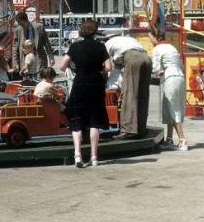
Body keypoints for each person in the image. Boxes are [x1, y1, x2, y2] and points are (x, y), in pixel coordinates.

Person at [59, 20, 112, 167]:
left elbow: (62, 66)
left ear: (82, 31)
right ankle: (94, 157)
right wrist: (100, 69)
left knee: (77, 120)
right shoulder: (100, 47)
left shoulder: (75, 47)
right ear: (95, 31)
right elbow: (109, 67)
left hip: (80, 84)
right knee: (94, 121)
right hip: (96, 84)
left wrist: (76, 68)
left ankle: (77, 155)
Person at [104, 30, 152, 140]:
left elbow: (106, 64)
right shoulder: (129, 40)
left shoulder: (109, 44)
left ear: (109, 38)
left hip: (133, 58)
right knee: (143, 94)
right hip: (147, 59)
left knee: (129, 93)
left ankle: (128, 130)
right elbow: (117, 66)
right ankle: (140, 129)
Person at [148, 27, 188, 151]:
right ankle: (169, 139)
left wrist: (159, 71)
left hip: (170, 78)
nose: (150, 40)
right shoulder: (172, 47)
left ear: (156, 37)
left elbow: (155, 68)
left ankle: (182, 140)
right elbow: (181, 65)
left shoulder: (157, 49)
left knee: (171, 108)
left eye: (150, 37)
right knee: (171, 107)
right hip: (180, 77)